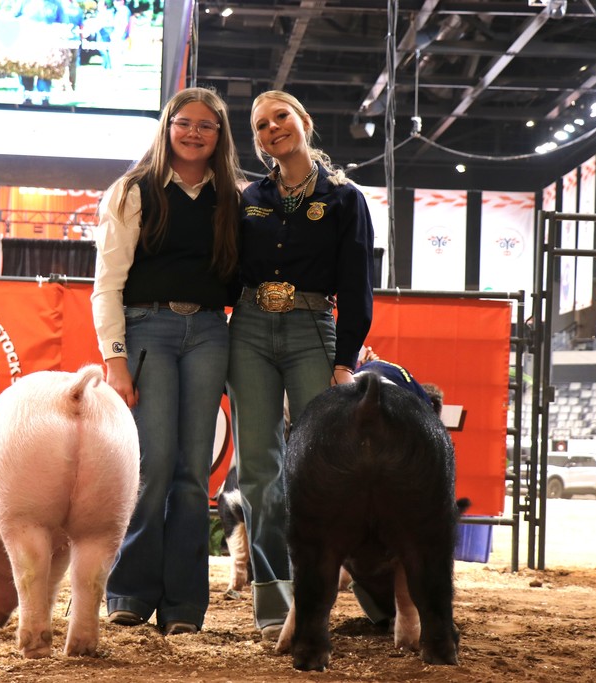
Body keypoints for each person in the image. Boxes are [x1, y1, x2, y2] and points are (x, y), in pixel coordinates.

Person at [92, 87, 243, 636]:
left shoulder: (234, 197)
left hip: (209, 331)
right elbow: (106, 284)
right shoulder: (133, 191)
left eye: (207, 125)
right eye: (185, 123)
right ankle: (129, 592)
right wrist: (115, 359)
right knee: (151, 467)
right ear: (168, 127)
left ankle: (184, 607)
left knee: (191, 473)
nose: (195, 133)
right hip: (147, 328)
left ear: (219, 136)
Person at [226, 90, 375, 639]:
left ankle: (331, 596)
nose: (271, 129)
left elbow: (358, 285)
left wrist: (345, 361)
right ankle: (273, 608)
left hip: (315, 329)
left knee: (319, 471)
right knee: (260, 473)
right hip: (248, 329)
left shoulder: (345, 197)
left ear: (304, 121)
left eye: (280, 118)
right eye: (261, 125)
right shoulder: (249, 198)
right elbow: (228, 268)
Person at [13, 0, 68, 104]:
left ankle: (45, 100)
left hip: (47, 48)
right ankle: (26, 99)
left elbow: (63, 23)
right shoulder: (24, 2)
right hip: (27, 46)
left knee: (45, 76)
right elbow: (13, 18)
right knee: (26, 73)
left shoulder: (56, 4)